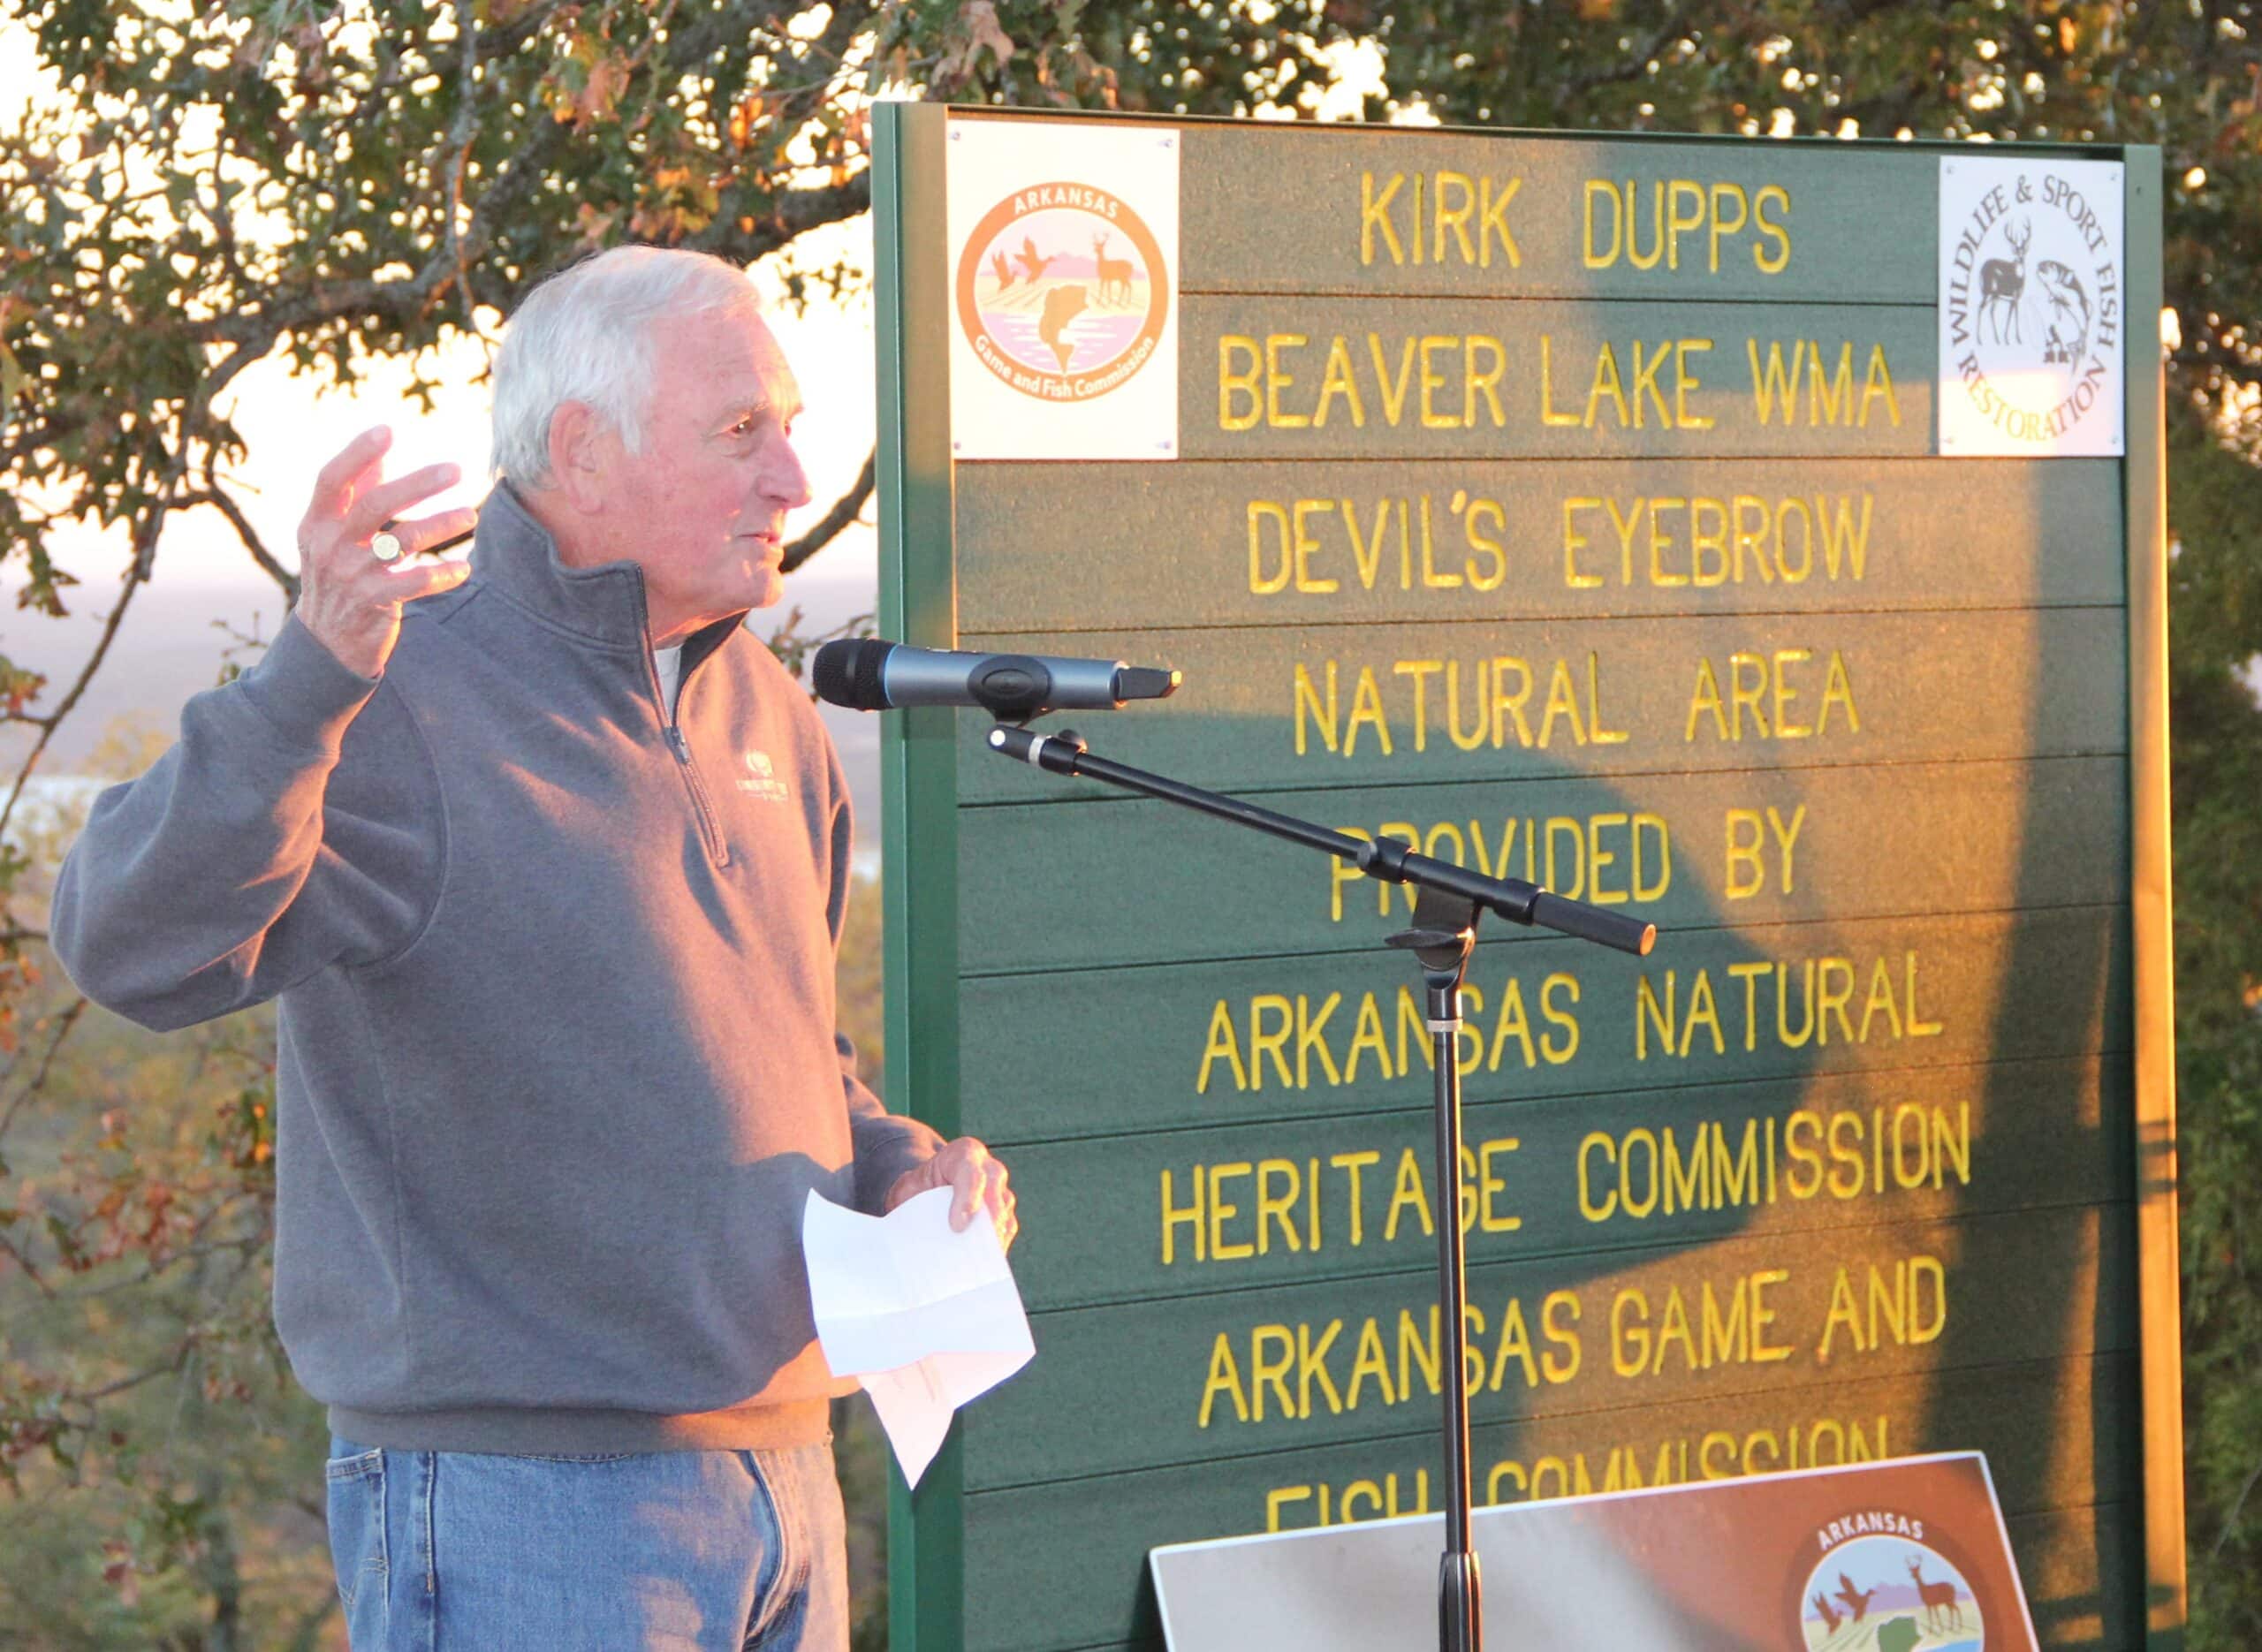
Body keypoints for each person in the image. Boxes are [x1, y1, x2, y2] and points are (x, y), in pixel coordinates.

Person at [47, 246, 1015, 1650]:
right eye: (742, 429)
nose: (794, 477)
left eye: (790, 425)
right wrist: (308, 674)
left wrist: (898, 1165)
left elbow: (794, 1048)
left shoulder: (766, 708)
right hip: (524, 1505)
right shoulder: (394, 690)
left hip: (790, 1483)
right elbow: (121, 944)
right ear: (584, 448)